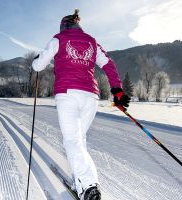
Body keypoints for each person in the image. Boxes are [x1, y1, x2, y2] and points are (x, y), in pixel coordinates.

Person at [32, 9, 130, 200]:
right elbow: (109, 64)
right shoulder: (92, 41)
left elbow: (38, 66)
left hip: (68, 94)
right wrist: (117, 90)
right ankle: (82, 184)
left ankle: (90, 185)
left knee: (72, 141)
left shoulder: (58, 38)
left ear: (63, 26)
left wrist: (35, 61)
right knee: (79, 140)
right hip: (90, 97)